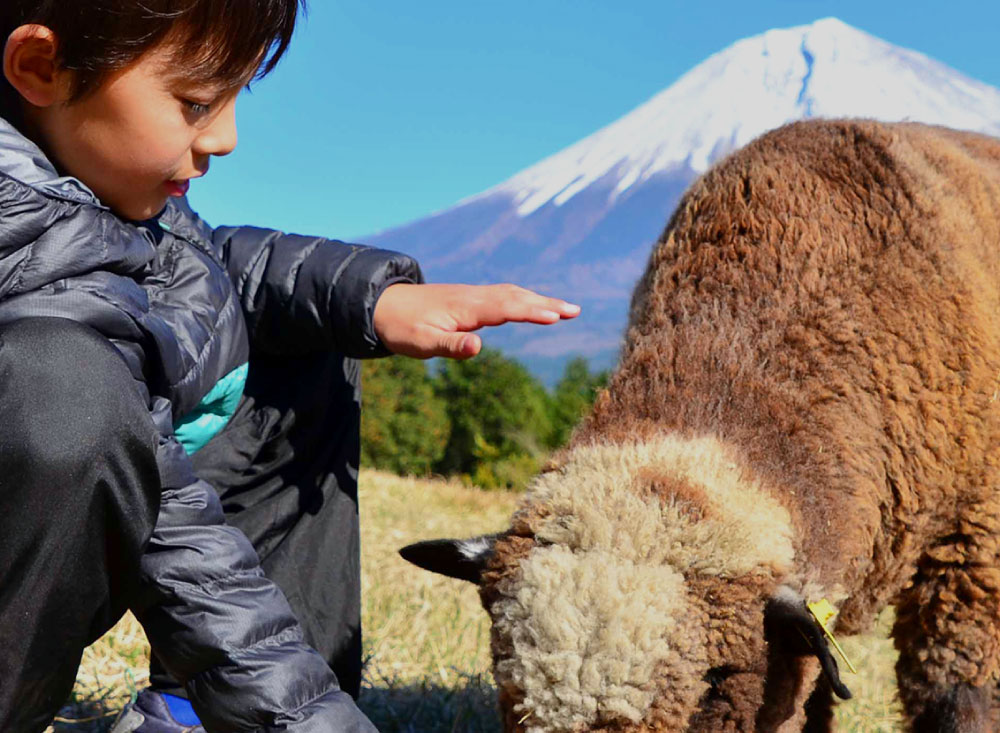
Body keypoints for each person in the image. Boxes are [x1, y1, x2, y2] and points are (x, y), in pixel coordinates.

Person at [0, 1, 580, 731]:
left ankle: (194, 713)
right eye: (197, 101)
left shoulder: (86, 194)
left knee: (302, 339)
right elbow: (191, 554)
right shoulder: (47, 292)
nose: (227, 137)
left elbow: (204, 270)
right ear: (39, 67)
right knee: (72, 396)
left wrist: (373, 300)